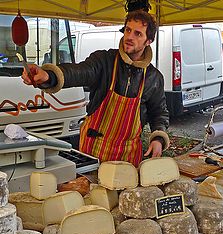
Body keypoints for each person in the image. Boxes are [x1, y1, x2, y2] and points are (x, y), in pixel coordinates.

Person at [21, 10, 170, 167]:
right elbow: (79, 72)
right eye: (128, 30)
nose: (129, 37)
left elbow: (159, 113)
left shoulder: (154, 77)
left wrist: (158, 139)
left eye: (138, 34)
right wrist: (48, 76)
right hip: (94, 149)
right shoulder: (103, 60)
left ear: (148, 41)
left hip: (128, 155)